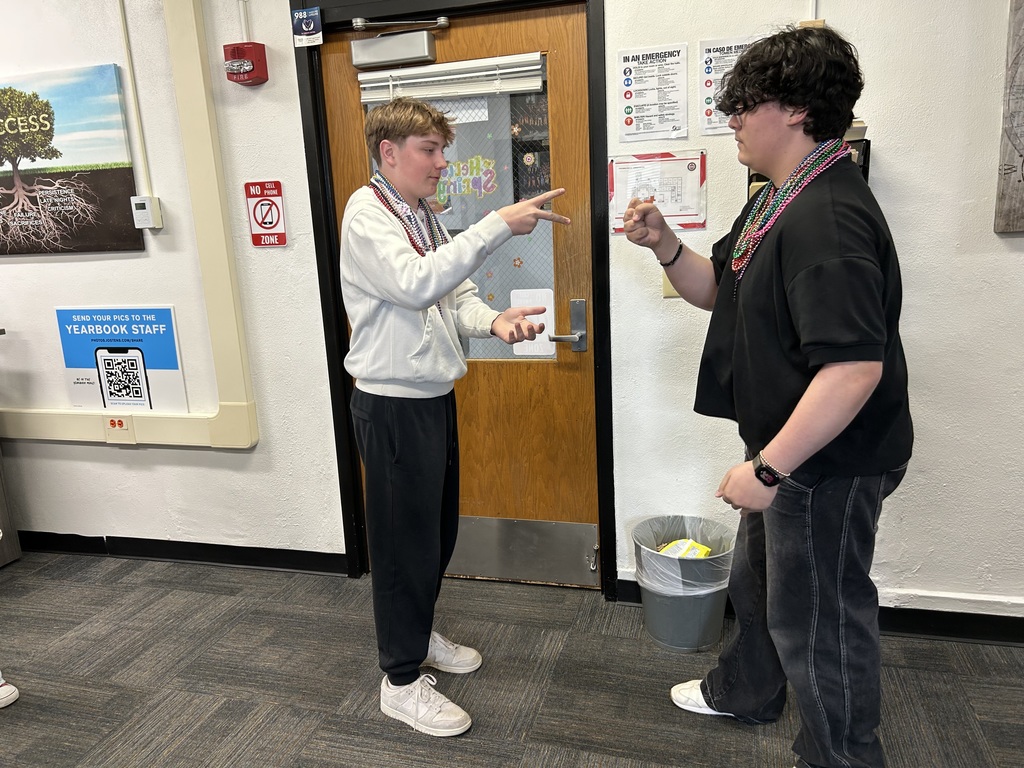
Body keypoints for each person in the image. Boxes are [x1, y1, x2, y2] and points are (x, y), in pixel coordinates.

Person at [624, 25, 912, 768]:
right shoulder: (778, 199)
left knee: (818, 618)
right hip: (789, 449)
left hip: (828, 459)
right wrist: (665, 245)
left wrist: (768, 469)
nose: (732, 119)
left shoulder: (829, 216)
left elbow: (853, 370)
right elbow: (718, 288)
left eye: (745, 104)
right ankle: (747, 691)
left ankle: (841, 757)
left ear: (795, 110)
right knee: (758, 586)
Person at [340, 97, 570, 738]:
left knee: (434, 535)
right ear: (389, 152)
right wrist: (496, 224)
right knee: (401, 545)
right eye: (429, 150)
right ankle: (400, 681)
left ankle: (417, 633)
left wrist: (495, 321)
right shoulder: (368, 214)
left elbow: (454, 293)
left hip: (431, 397)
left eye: (443, 150)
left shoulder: (417, 212)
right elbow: (415, 284)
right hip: (391, 406)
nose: (442, 162)